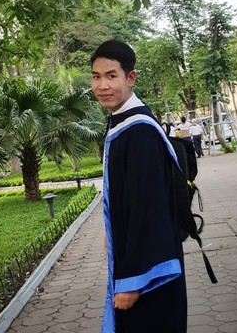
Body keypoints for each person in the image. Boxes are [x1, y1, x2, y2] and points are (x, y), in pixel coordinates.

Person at [91, 40, 187, 333]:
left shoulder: (139, 130)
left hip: (148, 278)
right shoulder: (122, 121)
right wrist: (114, 232)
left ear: (130, 77)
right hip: (133, 258)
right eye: (96, 76)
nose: (102, 85)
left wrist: (132, 281)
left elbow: (148, 208)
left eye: (111, 76)